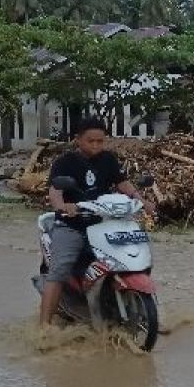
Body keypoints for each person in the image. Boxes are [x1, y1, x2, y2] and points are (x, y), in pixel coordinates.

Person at [39, 116, 156, 326]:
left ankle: (137, 310)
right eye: (90, 141)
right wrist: (63, 207)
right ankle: (43, 327)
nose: (95, 145)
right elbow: (55, 191)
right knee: (59, 270)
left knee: (133, 256)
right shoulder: (65, 162)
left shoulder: (108, 159)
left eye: (100, 141)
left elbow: (123, 184)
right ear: (79, 140)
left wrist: (141, 200)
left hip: (104, 223)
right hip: (72, 224)